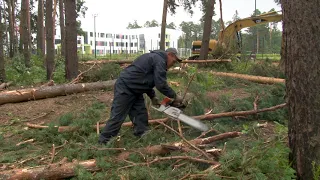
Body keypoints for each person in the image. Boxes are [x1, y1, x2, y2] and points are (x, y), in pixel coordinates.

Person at [98, 48, 184, 144]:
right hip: (126, 87)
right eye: (174, 61)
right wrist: (175, 96)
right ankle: (104, 141)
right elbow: (161, 84)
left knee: (140, 113)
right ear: (170, 55)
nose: (173, 64)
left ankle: (143, 135)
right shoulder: (159, 60)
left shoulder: (155, 58)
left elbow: (146, 79)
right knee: (118, 115)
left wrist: (152, 96)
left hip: (135, 89)